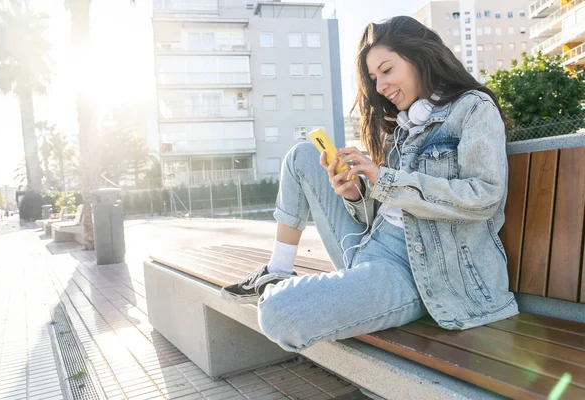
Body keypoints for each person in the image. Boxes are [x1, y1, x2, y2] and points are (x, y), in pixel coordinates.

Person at [221, 16, 519, 353]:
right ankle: (277, 271)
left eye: (387, 70)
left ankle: (294, 291)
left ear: (421, 58)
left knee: (278, 313)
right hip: (368, 245)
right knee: (303, 155)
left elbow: (484, 198)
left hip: (416, 274)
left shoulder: (472, 109)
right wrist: (355, 193)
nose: (380, 87)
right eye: (375, 78)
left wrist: (383, 178)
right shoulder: (403, 126)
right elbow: (379, 214)